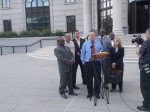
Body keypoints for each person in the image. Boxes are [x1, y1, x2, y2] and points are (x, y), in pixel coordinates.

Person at [81, 30, 103, 99]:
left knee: (97, 78)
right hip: (88, 63)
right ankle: (90, 93)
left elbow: (101, 51)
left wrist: (101, 61)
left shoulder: (98, 43)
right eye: (90, 35)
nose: (91, 36)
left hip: (97, 63)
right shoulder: (85, 43)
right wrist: (84, 62)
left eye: (93, 34)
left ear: (95, 36)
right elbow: (83, 54)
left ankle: (97, 93)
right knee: (88, 79)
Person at [136, 28, 150, 111]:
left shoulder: (147, 42)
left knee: (145, 86)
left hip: (145, 68)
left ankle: (146, 105)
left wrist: (137, 46)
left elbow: (140, 54)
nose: (146, 35)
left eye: (147, 34)